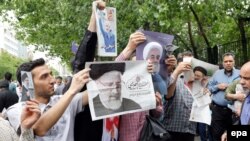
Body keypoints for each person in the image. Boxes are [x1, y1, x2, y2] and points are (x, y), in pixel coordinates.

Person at [5, 58, 90, 141]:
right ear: (27, 84)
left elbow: (95, 92)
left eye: (51, 74)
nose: (53, 80)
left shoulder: (66, 100)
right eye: (44, 76)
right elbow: (38, 129)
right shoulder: (16, 110)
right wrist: (71, 91)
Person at [163, 53, 197, 141]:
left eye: (193, 62)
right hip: (172, 129)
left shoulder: (197, 82)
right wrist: (177, 71)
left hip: (190, 129)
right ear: (179, 64)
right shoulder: (173, 78)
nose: (190, 65)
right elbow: (168, 95)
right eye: (188, 62)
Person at [207, 52, 240, 141]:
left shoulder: (240, 74)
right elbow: (208, 88)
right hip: (218, 110)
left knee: (233, 135)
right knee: (217, 135)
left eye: (230, 61)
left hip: (234, 111)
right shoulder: (217, 73)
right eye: (226, 61)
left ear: (234, 62)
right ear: (223, 62)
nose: (228, 63)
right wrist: (217, 87)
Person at [221, 61, 250, 141]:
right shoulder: (247, 98)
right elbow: (242, 121)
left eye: (247, 78)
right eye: (241, 77)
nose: (241, 82)